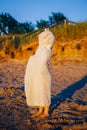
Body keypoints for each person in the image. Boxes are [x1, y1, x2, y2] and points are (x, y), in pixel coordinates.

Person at [24, 28, 55, 118]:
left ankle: (46, 111)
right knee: (39, 90)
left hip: (44, 74)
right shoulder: (40, 49)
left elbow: (42, 61)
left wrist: (47, 32)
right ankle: (40, 110)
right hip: (38, 73)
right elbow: (37, 59)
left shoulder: (47, 50)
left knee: (45, 91)